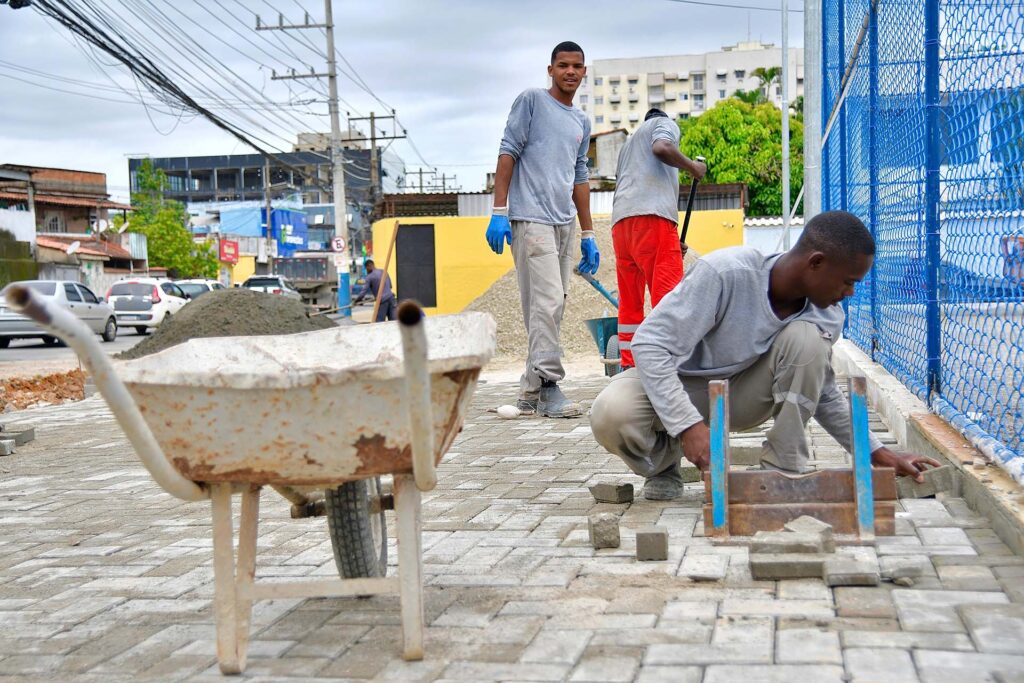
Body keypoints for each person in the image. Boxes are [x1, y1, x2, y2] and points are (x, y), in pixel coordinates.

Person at [590, 211, 940, 500]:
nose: (848, 293)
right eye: (848, 282)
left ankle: (779, 471)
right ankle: (667, 465)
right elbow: (650, 344)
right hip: (680, 383)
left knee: (808, 342)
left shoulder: (826, 314)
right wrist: (687, 426)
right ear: (816, 263)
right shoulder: (726, 273)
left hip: (742, 395)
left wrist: (877, 453)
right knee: (610, 413)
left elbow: (824, 393)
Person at [485, 41, 599, 418]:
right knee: (546, 302)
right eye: (563, 65)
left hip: (563, 221)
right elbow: (508, 151)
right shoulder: (532, 101)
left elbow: (579, 176)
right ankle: (550, 385)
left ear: (584, 71)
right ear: (550, 69)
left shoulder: (580, 121)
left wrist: (588, 233)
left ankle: (530, 392)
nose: (570, 72)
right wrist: (499, 210)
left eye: (577, 66)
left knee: (552, 306)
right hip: (530, 217)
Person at [612, 107, 707, 369]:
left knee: (630, 303)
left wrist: (669, 244)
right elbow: (662, 148)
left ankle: (630, 368)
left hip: (621, 225)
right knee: (669, 299)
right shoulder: (665, 123)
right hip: (653, 219)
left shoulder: (628, 146)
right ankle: (669, 365)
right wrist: (693, 168)